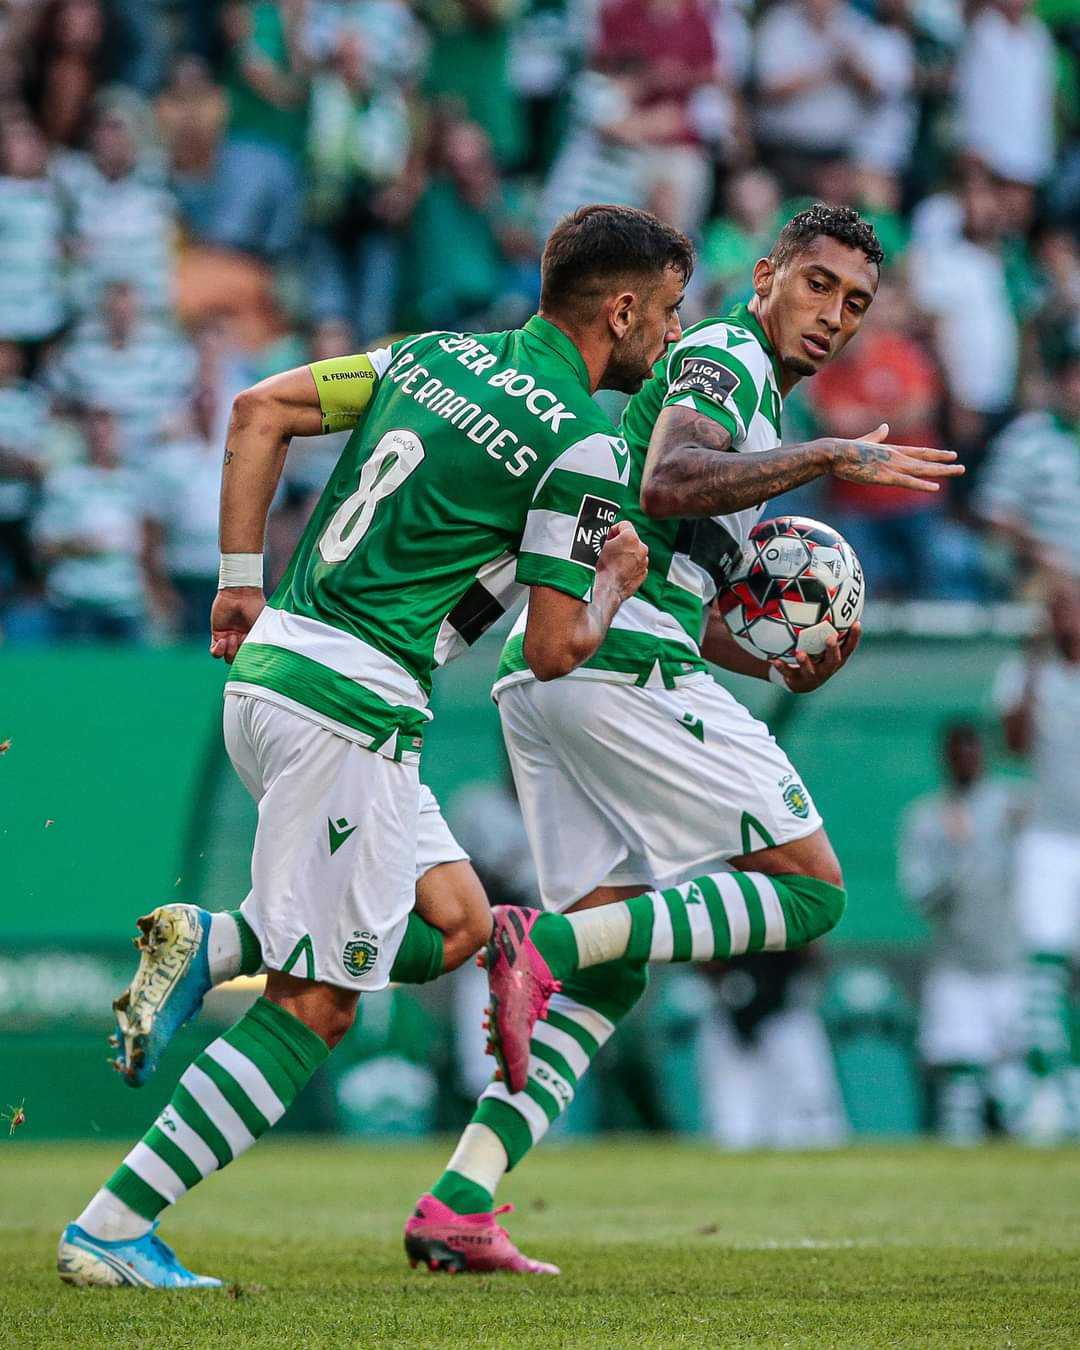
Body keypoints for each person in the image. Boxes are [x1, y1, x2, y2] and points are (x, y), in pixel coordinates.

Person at [57, 203, 692, 1289]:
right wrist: (617, 582)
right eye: (670, 314)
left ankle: (213, 945)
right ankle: (113, 1227)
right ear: (622, 309)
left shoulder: (431, 353)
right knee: (319, 1001)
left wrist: (238, 586)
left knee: (453, 923)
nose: (673, 339)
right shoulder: (579, 444)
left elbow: (257, 409)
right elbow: (548, 648)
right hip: (351, 711)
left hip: (276, 672)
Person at [406, 203, 963, 1275]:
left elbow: (672, 551)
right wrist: (835, 453)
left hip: (568, 665)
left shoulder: (748, 392)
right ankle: (543, 944)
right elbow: (669, 478)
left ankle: (460, 1198)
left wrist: (766, 655)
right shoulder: (722, 355)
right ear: (766, 275)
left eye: (855, 303)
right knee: (812, 891)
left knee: (615, 974)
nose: (834, 315)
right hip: (612, 660)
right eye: (817, 285)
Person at [899, 722, 1026, 1143]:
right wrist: (957, 855)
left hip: (1010, 960)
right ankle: (963, 1161)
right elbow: (918, 894)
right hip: (956, 965)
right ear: (946, 757)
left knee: (1016, 1080)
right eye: (958, 751)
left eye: (973, 750)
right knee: (960, 1080)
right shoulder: (927, 816)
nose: (967, 759)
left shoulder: (1013, 805)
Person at [996, 584, 1080, 1141]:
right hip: (1050, 837)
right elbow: (1015, 742)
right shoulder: (1028, 673)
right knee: (1044, 964)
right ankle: (1054, 1087)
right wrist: (1032, 661)